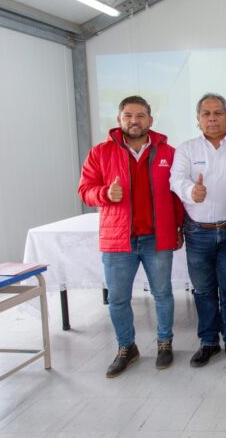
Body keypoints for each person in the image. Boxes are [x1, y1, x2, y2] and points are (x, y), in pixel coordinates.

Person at [78, 95, 183, 378]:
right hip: (118, 240)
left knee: (162, 294)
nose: (133, 121)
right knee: (118, 299)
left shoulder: (167, 153)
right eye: (128, 116)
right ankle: (127, 347)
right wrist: (104, 194)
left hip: (156, 238)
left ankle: (164, 343)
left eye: (140, 116)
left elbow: (177, 195)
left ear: (150, 119)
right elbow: (85, 190)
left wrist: (179, 227)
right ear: (119, 119)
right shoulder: (100, 152)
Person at [170, 93, 226, 368]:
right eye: (206, 114)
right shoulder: (187, 149)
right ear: (198, 119)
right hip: (198, 232)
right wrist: (192, 191)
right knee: (203, 290)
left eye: (218, 113)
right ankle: (207, 342)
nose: (212, 118)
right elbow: (175, 180)